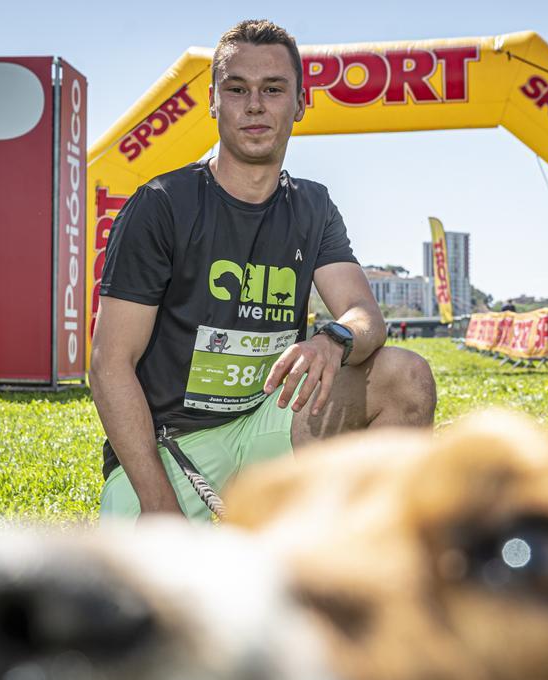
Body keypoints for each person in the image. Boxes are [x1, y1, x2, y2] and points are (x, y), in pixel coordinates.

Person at [89, 19, 437, 521]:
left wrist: (331, 339)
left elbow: (364, 315)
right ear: (213, 101)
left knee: (406, 377)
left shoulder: (312, 205)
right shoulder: (161, 205)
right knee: (153, 596)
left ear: (299, 102)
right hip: (170, 451)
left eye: (273, 89)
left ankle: (354, 553)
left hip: (267, 427)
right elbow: (109, 363)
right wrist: (158, 503)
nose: (255, 105)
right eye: (237, 89)